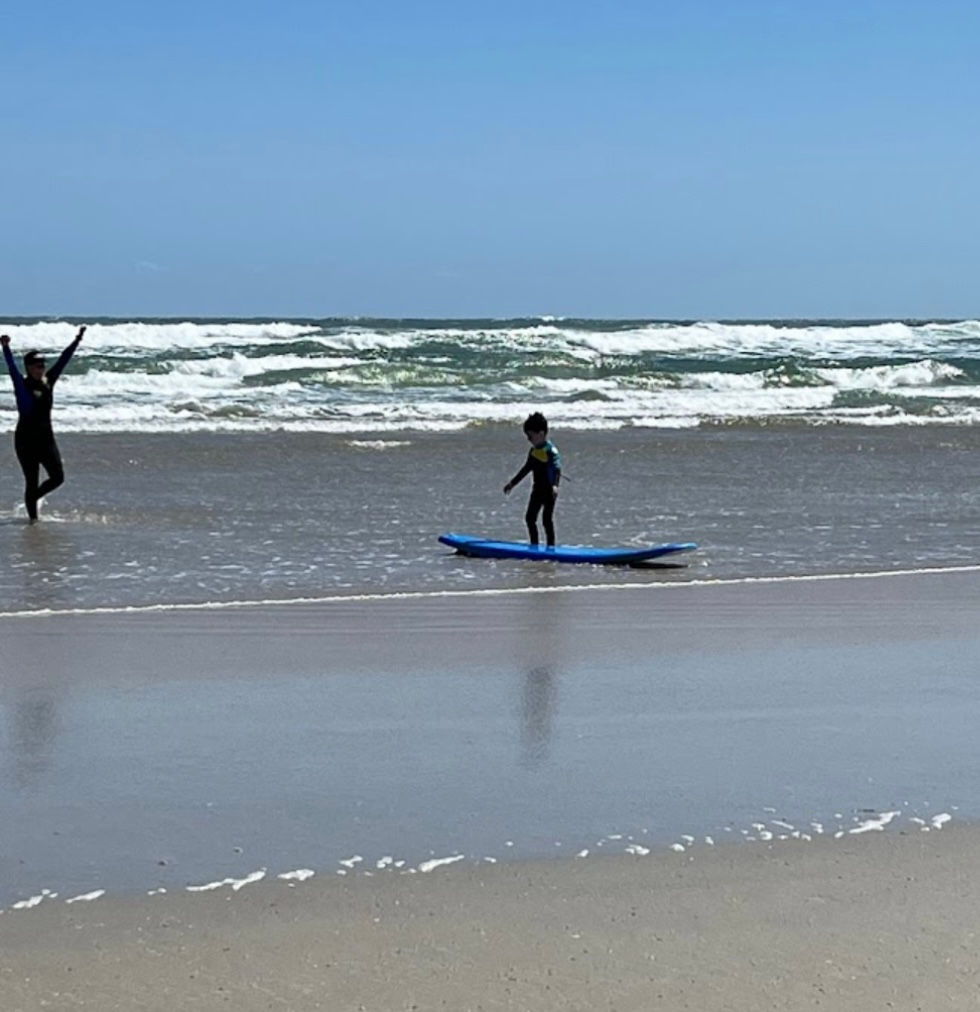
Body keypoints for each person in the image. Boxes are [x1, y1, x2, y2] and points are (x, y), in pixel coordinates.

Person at [1, 326, 86, 522]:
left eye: (43, 365)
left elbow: (64, 359)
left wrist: (77, 341)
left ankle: (31, 500)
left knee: (58, 478)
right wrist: (5, 347)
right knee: (31, 481)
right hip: (25, 441)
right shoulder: (22, 386)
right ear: (29, 367)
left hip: (46, 439)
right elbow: (12, 368)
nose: (42, 368)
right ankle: (33, 521)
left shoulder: (48, 381)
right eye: (37, 365)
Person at [503, 411, 562, 547]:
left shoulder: (551, 451)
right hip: (537, 490)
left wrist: (555, 485)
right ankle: (534, 546)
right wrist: (512, 483)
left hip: (549, 490)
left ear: (541, 434)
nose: (529, 439)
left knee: (547, 520)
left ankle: (551, 547)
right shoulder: (534, 451)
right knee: (530, 519)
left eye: (530, 436)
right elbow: (526, 469)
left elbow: (557, 469)